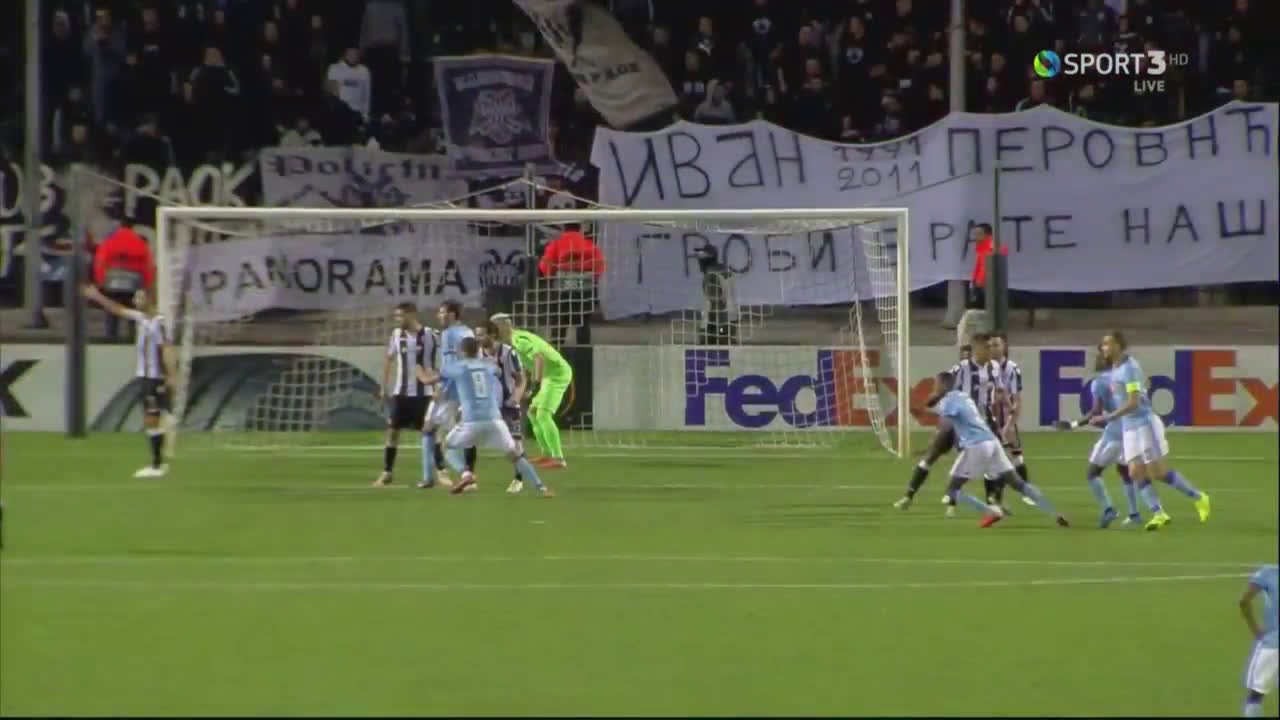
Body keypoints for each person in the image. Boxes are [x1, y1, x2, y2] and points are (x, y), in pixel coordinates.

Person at [1094, 331, 1211, 531]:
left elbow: (1133, 403)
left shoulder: (1129, 368)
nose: (1104, 347)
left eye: (1108, 343)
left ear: (1119, 345)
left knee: (1158, 472)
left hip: (1144, 424)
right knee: (1135, 471)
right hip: (1129, 426)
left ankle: (1199, 497)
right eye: (1103, 344)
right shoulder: (1116, 368)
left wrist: (1108, 417)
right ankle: (1158, 513)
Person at [928, 371, 1069, 529]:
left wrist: (933, 442)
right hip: (992, 441)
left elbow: (940, 418)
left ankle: (992, 512)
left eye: (936, 384)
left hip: (977, 445)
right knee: (1018, 483)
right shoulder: (963, 396)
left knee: (952, 488)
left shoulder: (947, 402)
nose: (934, 387)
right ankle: (1055, 513)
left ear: (942, 385)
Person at [418, 337, 551, 497]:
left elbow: (427, 380)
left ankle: (466, 475)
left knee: (446, 446)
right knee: (515, 456)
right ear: (478, 351)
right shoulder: (489, 366)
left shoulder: (456, 367)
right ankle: (542, 488)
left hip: (471, 420)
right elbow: (499, 372)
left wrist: (418, 370)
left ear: (462, 351)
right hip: (495, 419)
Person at [82, 284, 174, 477]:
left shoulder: (157, 323)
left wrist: (171, 375)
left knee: (151, 420)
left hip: (153, 377)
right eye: (135, 298)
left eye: (139, 298)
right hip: (145, 377)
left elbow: (165, 348)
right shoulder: (141, 318)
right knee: (152, 419)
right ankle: (158, 461)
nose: (135, 301)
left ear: (149, 300)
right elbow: (117, 309)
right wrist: (97, 296)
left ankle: (157, 465)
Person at [894, 335, 993, 512]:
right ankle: (908, 497)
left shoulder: (993, 370)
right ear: (978, 350)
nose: (990, 351)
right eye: (987, 347)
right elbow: (942, 386)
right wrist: (932, 400)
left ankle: (953, 504)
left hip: (971, 425)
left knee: (970, 462)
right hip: (953, 422)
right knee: (933, 457)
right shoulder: (961, 368)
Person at [1054, 344, 1146, 527]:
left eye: (1099, 356)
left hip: (1115, 432)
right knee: (1124, 470)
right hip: (1132, 429)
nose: (1096, 359)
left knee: (1093, 472)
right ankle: (1134, 514)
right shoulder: (1123, 375)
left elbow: (1095, 411)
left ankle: (1108, 509)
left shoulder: (1099, 382)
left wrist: (1073, 425)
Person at [374, 303, 446, 488]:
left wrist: (438, 382)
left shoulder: (431, 335)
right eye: (397, 316)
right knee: (392, 432)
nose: (398, 320)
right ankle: (387, 472)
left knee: (433, 432)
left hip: (425, 393)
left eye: (401, 316)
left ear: (412, 314)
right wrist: (384, 386)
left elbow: (445, 357)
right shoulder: (396, 335)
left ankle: (441, 472)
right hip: (402, 393)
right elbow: (389, 359)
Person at [490, 313, 573, 469]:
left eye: (493, 328)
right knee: (533, 413)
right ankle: (547, 454)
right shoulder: (513, 342)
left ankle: (558, 458)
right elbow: (528, 366)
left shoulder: (519, 340)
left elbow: (538, 358)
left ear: (502, 327)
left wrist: (535, 385)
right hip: (549, 375)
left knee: (543, 414)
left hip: (557, 375)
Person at [423, 301, 476, 487]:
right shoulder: (467, 332)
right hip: (462, 390)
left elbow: (454, 365)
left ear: (452, 314)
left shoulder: (450, 334)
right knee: (436, 430)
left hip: (451, 391)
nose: (439, 315)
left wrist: (440, 386)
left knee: (435, 431)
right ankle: (434, 476)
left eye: (442, 312)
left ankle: (461, 474)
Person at [477, 321, 531, 494]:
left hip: (507, 405)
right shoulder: (477, 353)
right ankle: (468, 476)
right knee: (467, 436)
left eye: (481, 334)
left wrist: (515, 398)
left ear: (492, 335)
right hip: (487, 406)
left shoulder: (508, 353)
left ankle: (519, 479)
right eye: (477, 335)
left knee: (515, 444)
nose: (478, 338)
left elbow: (521, 379)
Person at [92, 218, 154, 343]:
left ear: (119, 226)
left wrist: (101, 281)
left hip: (112, 283)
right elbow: (147, 267)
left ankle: (111, 338)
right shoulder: (140, 243)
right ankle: (133, 338)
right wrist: (146, 285)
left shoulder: (109, 241)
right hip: (133, 284)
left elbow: (100, 262)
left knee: (112, 311)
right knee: (132, 312)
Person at [985, 333, 1029, 507]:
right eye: (990, 345)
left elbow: (1017, 399)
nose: (993, 348)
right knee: (995, 460)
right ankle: (996, 500)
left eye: (996, 344)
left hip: (1005, 419)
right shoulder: (984, 368)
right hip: (989, 419)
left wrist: (1010, 423)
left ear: (1004, 347)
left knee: (1015, 456)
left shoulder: (1012, 369)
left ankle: (1024, 492)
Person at [1240, 564, 1278, 717]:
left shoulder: (1268, 573)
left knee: (1255, 698)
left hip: (1272, 644)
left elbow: (1243, 601)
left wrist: (1255, 628)